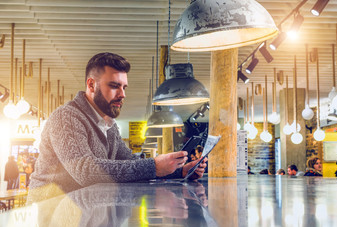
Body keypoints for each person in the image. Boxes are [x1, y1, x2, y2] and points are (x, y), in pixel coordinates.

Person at [29, 52, 207, 193]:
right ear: (91, 85)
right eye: (114, 86)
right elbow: (84, 170)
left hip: (83, 218)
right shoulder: (66, 117)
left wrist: (178, 171)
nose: (122, 94)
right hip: (50, 219)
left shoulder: (109, 124)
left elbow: (129, 161)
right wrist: (154, 166)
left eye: (124, 87)